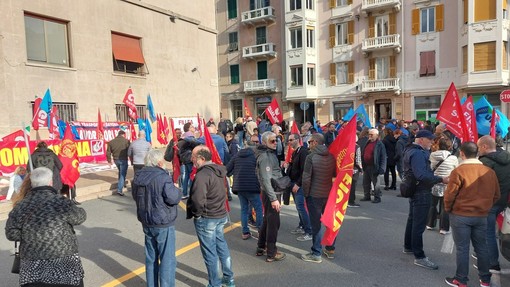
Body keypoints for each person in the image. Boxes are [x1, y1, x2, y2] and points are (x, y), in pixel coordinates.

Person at [5, 167, 87, 287]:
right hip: (65, 262)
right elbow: (80, 217)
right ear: (50, 182)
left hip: (32, 265)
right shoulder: (61, 201)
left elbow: (11, 233)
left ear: (31, 183)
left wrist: (30, 234)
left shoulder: (21, 205)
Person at [444, 142, 500, 287]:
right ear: (477, 153)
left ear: (462, 153)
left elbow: (450, 195)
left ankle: (461, 280)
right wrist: (485, 207)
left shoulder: (458, 171)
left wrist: (448, 209)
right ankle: (485, 280)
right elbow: (496, 195)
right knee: (481, 247)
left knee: (462, 248)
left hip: (460, 214)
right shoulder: (489, 172)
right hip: (481, 215)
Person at [186, 146, 235, 287]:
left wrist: (197, 214)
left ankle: (215, 283)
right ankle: (229, 278)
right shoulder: (219, 170)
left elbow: (197, 200)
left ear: (201, 158)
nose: (191, 159)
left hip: (208, 217)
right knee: (221, 246)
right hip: (220, 214)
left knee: (210, 253)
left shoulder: (202, 175)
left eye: (194, 157)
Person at [132, 149, 181, 287]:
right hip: (163, 221)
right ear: (159, 162)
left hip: (146, 220)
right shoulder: (162, 177)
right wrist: (177, 189)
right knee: (167, 260)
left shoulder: (138, 176)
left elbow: (136, 197)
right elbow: (173, 198)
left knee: (151, 258)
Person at [402, 130, 448, 270]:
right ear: (421, 139)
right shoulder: (418, 153)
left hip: (415, 190)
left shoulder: (411, 150)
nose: (431, 142)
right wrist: (441, 179)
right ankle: (419, 256)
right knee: (419, 224)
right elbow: (421, 175)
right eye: (429, 140)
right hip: (421, 191)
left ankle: (409, 246)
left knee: (412, 220)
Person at [300, 133, 336, 263]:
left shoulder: (311, 157)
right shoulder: (332, 156)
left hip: (314, 195)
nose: (308, 144)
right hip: (328, 195)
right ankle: (330, 248)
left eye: (309, 142)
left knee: (316, 225)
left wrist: (305, 194)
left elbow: (306, 178)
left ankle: (316, 253)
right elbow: (334, 175)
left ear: (315, 142)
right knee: (330, 222)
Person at [477, 135, 510, 273]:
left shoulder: (485, 162)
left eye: (479, 147)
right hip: (503, 200)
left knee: (488, 233)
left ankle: (492, 264)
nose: (478, 150)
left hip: (490, 202)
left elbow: (480, 185)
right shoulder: (507, 157)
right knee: (495, 231)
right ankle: (489, 256)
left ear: (484, 146)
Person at [256, 131, 286, 262]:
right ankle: (271, 252)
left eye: (276, 140)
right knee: (274, 223)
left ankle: (261, 247)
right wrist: (273, 198)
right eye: (272, 141)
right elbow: (266, 179)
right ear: (264, 142)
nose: (275, 143)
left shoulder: (269, 154)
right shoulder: (265, 157)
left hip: (272, 192)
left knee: (268, 221)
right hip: (271, 193)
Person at [226, 135, 263, 240]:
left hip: (239, 187)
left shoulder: (237, 156)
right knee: (258, 209)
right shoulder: (256, 156)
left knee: (244, 209)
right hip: (253, 186)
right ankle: (261, 231)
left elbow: (227, 169)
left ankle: (245, 232)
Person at [426, 135, 458, 234]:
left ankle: (430, 224)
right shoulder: (453, 158)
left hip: (434, 182)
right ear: (449, 147)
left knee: (432, 205)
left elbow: (430, 167)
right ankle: (443, 228)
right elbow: (456, 170)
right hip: (447, 184)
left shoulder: (432, 155)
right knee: (445, 207)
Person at [284, 133, 312, 241]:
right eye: (289, 140)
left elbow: (304, 170)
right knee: (298, 206)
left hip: (299, 184)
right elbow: (294, 168)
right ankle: (302, 226)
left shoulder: (303, 151)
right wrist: (288, 167)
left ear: (297, 140)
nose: (289, 142)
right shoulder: (296, 152)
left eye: (291, 140)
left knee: (301, 206)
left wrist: (298, 184)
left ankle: (309, 231)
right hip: (293, 182)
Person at [360, 128, 386, 203]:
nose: (369, 136)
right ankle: (367, 196)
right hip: (366, 166)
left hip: (374, 166)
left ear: (377, 136)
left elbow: (383, 157)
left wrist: (382, 168)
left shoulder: (380, 144)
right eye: (369, 134)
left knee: (376, 183)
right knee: (366, 182)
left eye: (371, 134)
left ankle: (377, 198)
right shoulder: (367, 142)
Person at [106, 130, 130, 196]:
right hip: (123, 159)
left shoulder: (111, 142)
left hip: (116, 159)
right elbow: (129, 150)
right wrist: (130, 157)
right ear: (123, 135)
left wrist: (109, 160)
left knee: (121, 172)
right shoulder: (126, 141)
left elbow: (108, 152)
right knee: (122, 174)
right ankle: (119, 190)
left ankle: (121, 184)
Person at [347, 135, 362, 208]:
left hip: (346, 168)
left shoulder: (346, 146)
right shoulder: (357, 147)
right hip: (354, 169)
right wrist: (361, 169)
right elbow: (358, 159)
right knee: (353, 185)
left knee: (347, 185)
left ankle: (346, 200)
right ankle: (351, 201)